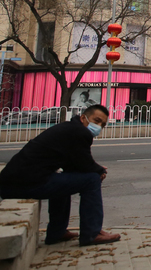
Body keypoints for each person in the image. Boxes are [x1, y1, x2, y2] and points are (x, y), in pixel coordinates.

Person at [0, 105, 121, 246]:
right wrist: (99, 171)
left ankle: (57, 232)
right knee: (92, 180)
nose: (98, 126)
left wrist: (95, 168)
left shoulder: (70, 128)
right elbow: (85, 163)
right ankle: (92, 233)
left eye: (102, 124)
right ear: (83, 118)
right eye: (97, 120)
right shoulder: (80, 132)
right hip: (24, 184)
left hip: (14, 183)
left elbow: (75, 164)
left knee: (65, 179)